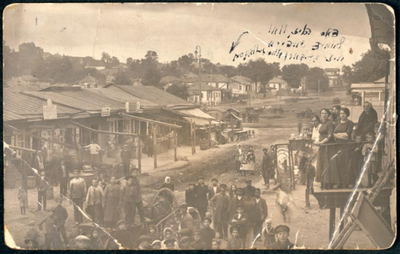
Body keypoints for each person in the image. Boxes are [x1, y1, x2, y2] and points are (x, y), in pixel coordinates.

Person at [333, 107, 355, 188]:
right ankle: (339, 183)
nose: (342, 115)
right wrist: (340, 135)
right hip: (337, 146)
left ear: (347, 114)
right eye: (341, 113)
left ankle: (346, 182)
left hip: (346, 147)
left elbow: (347, 136)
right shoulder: (337, 123)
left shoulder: (350, 123)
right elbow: (333, 135)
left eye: (344, 114)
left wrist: (337, 135)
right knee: (338, 164)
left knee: (345, 164)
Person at [315, 108, 336, 190]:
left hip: (328, 146)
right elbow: (319, 135)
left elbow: (330, 136)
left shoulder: (330, 123)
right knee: (322, 164)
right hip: (322, 147)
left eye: (326, 113)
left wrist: (321, 142)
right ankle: (323, 181)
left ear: (329, 115)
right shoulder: (322, 124)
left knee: (327, 164)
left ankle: (328, 183)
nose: (324, 115)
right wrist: (317, 141)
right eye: (322, 113)